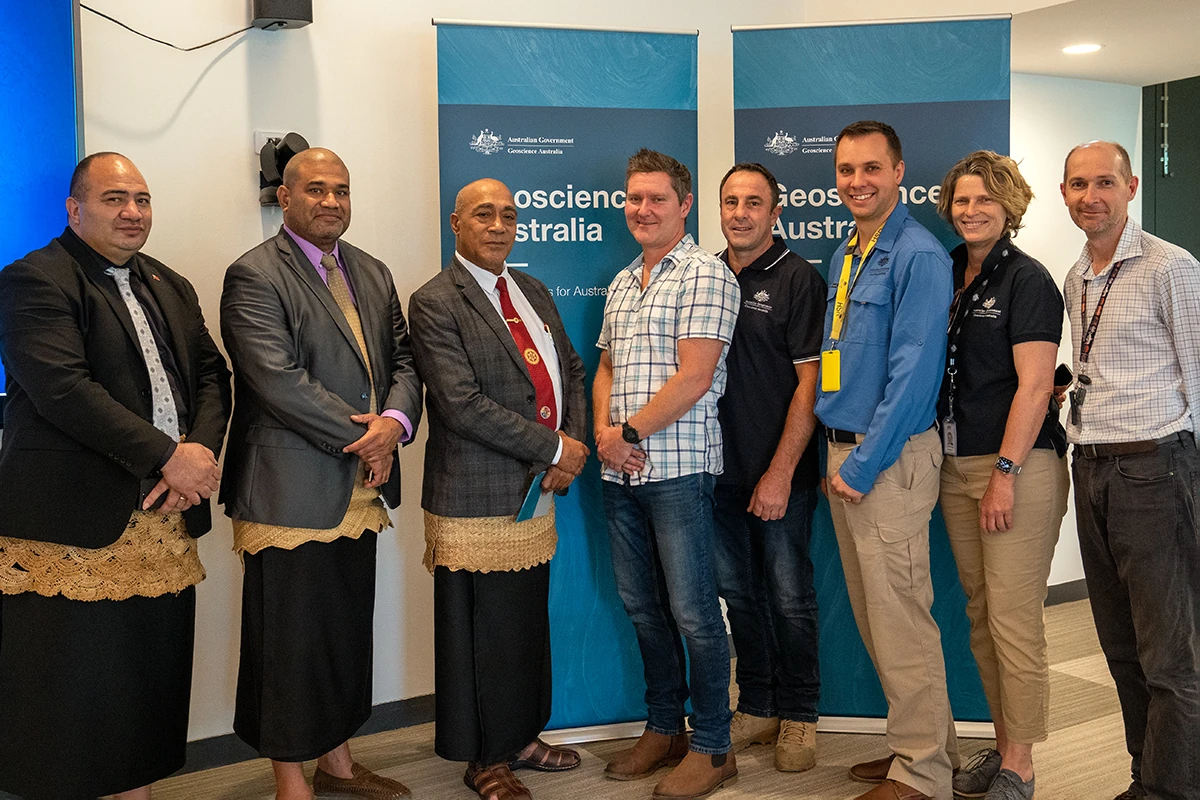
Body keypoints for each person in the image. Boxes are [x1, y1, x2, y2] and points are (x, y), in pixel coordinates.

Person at [0, 152, 232, 800]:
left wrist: (199, 457)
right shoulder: (33, 280)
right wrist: (167, 456)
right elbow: (64, 391)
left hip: (166, 512)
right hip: (72, 524)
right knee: (74, 703)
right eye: (114, 199)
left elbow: (214, 376)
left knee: (145, 690)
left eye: (143, 199)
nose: (133, 212)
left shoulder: (170, 282)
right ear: (75, 209)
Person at [220, 147, 422, 800]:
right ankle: (290, 783)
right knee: (286, 645)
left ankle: (337, 765)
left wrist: (395, 421)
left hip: (358, 490)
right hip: (288, 490)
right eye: (315, 189)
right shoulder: (253, 274)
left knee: (340, 635)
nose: (331, 200)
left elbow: (406, 360)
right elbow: (278, 382)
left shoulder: (371, 269)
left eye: (341, 189)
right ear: (285, 196)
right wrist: (369, 439)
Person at [408, 177, 589, 800]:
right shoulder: (436, 300)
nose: (498, 225)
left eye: (509, 215)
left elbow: (570, 367)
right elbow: (460, 404)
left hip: (536, 490)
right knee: (478, 632)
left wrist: (572, 446)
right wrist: (556, 447)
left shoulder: (531, 289)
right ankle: (483, 758)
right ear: (455, 223)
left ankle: (520, 736)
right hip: (473, 496)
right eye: (483, 214)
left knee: (521, 623)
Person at [816, 121, 957, 800]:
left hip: (888, 462)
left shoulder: (918, 254)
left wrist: (862, 464)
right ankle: (922, 748)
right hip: (849, 456)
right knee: (882, 620)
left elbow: (913, 379)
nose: (857, 182)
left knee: (902, 620)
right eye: (846, 169)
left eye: (872, 168)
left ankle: (923, 773)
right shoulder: (849, 251)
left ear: (900, 172)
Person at [596, 149, 741, 800]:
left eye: (656, 198)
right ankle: (664, 728)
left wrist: (627, 435)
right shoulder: (625, 280)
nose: (642, 209)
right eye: (633, 198)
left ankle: (712, 746)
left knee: (693, 614)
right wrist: (606, 438)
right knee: (642, 607)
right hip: (620, 473)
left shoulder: (704, 276)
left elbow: (696, 376)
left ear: (684, 205)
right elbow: (604, 369)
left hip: (678, 470)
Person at [1060, 140, 1200, 800]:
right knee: (1121, 650)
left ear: (1132, 186)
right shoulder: (1076, 277)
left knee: (1171, 657)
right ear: (1064, 193)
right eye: (1079, 184)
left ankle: (1172, 790)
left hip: (1155, 472)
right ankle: (1147, 779)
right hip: (1091, 471)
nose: (1092, 195)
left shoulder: (1172, 268)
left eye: (1105, 183)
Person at [932, 151, 1068, 800]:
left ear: (1009, 205)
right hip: (955, 467)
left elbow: (1037, 386)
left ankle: (1021, 764)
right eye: (961, 200)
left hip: (1018, 466)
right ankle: (1002, 740)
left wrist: (1006, 473)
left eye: (986, 199)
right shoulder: (952, 270)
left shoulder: (1028, 279)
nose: (971, 210)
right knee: (983, 617)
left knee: (1015, 618)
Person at [712, 162, 826, 772]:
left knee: (789, 597)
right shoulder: (703, 275)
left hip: (780, 473)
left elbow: (810, 387)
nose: (739, 212)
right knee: (739, 594)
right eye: (730, 201)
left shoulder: (797, 279)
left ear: (775, 212)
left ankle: (800, 715)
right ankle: (756, 703)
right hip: (716, 474)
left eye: (753, 202)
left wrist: (780, 471)